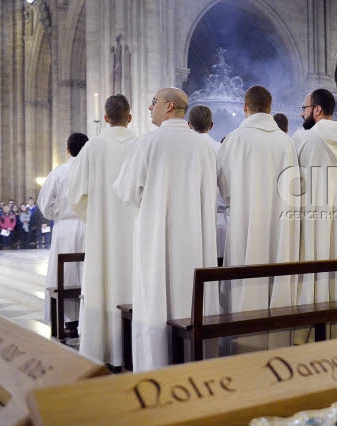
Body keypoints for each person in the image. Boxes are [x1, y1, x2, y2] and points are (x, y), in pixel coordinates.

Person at [113, 87, 218, 371]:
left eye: (153, 103)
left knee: (156, 299)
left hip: (157, 240)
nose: (149, 108)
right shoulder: (204, 146)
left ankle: (155, 367)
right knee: (192, 302)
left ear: (169, 106)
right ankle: (198, 364)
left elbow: (126, 192)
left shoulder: (148, 143)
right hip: (196, 244)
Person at [216, 85, 300, 353]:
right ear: (270, 107)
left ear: (245, 107)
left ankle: (243, 340)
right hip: (280, 221)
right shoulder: (285, 141)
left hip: (245, 220)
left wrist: (238, 201)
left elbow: (223, 187)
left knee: (245, 272)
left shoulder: (234, 139)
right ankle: (277, 336)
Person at [66, 94, 138, 369]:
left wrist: (94, 217)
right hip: (135, 233)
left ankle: (103, 350)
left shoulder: (93, 146)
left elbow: (75, 194)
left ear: (106, 118)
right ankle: (132, 350)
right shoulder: (140, 144)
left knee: (102, 284)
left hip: (102, 233)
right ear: (129, 117)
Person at [295, 89, 337, 342]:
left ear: (317, 110)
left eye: (305, 107)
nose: (302, 112)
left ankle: (311, 331)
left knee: (315, 266)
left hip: (312, 216)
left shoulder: (305, 139)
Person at [37, 132, 89, 324]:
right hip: (88, 227)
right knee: (85, 274)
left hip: (64, 230)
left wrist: (58, 215)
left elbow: (45, 206)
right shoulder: (92, 172)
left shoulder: (58, 173)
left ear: (68, 150)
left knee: (63, 276)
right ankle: (85, 319)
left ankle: (67, 321)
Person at [188, 104, 227, 262]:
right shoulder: (221, 149)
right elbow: (227, 190)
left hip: (189, 221)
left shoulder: (184, 149)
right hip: (217, 221)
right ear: (211, 125)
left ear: (189, 125)